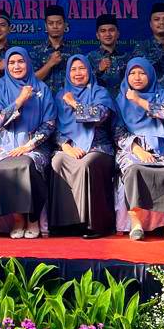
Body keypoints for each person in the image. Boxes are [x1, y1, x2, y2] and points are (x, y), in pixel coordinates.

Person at [0, 46, 56, 239]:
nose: (16, 66)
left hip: (34, 145)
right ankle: (17, 219)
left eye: (20, 61)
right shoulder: (0, 87)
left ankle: (32, 218)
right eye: (11, 62)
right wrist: (19, 100)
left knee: (26, 164)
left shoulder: (41, 88)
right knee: (2, 166)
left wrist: (29, 146)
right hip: (5, 146)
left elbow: (49, 124)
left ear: (28, 63)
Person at [115, 56, 164, 243]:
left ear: (151, 75)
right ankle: (136, 224)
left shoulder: (161, 94)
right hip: (134, 148)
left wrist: (139, 101)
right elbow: (117, 131)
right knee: (133, 169)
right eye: (132, 73)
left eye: (142, 73)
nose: (137, 77)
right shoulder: (121, 98)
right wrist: (137, 150)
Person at [50, 54, 116, 237]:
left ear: (89, 70)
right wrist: (66, 146)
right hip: (70, 146)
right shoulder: (60, 95)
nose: (78, 73)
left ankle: (93, 224)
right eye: (73, 69)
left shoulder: (100, 92)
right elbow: (53, 125)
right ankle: (64, 225)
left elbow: (98, 116)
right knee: (58, 162)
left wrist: (74, 103)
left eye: (82, 68)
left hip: (98, 146)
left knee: (88, 163)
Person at [32, 4, 71, 95]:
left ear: (65, 25)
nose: (55, 26)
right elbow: (31, 80)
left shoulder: (74, 51)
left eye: (59, 23)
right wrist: (50, 64)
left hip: (67, 100)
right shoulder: (36, 51)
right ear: (46, 26)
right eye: (50, 23)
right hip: (43, 100)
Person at [86, 13, 130, 92]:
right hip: (98, 99)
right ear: (97, 35)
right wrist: (99, 70)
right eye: (103, 31)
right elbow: (83, 83)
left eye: (111, 30)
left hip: (123, 98)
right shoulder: (89, 58)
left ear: (118, 34)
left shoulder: (126, 57)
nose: (107, 34)